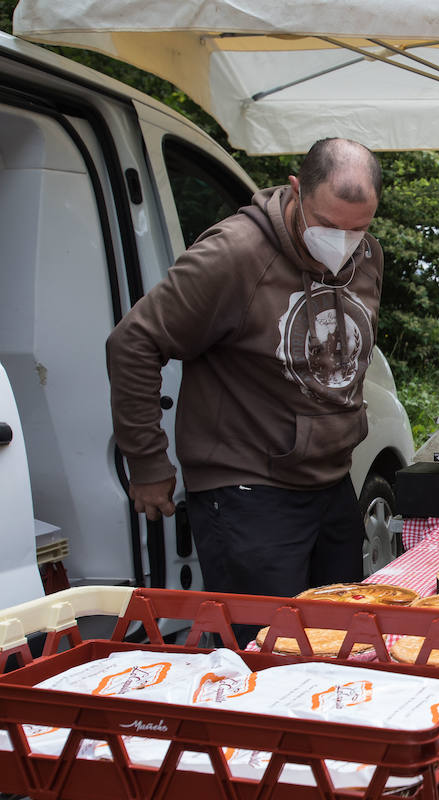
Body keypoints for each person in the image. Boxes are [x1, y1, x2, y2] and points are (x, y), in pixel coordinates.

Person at [107, 138, 385, 644]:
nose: (342, 240)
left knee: (344, 642)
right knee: (265, 651)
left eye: (358, 228)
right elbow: (134, 341)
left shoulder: (367, 255)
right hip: (247, 487)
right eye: (327, 224)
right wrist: (147, 463)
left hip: (329, 482)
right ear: (297, 191)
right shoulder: (235, 254)